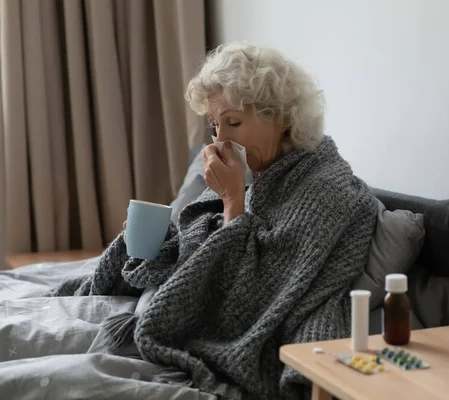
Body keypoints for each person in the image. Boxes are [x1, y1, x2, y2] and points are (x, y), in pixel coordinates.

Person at [54, 42, 378, 399]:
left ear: (282, 118)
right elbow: (189, 244)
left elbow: (248, 299)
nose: (221, 139)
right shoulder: (258, 173)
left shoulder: (325, 190)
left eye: (234, 122)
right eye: (214, 124)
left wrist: (232, 200)